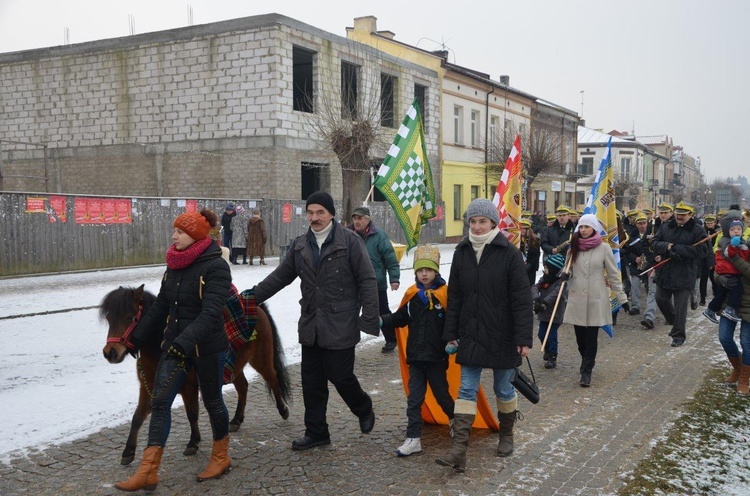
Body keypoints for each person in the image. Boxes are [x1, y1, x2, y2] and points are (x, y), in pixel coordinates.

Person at [114, 209, 232, 491]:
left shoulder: (216, 267)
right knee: (160, 402)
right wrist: (136, 340)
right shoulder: (174, 265)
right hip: (175, 347)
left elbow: (211, 312)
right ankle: (148, 471)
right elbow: (160, 309)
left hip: (207, 348)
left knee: (213, 401)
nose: (174, 235)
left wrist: (184, 342)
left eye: (179, 231)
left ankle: (221, 457)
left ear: (194, 235)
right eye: (175, 230)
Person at [253, 191, 379, 450]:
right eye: (310, 212)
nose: (314, 217)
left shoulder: (350, 242)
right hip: (311, 323)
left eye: (320, 212)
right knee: (312, 382)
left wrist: (369, 317)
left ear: (331, 214)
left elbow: (367, 279)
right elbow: (279, 278)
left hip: (341, 322)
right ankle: (317, 431)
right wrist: (247, 298)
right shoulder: (300, 245)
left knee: (341, 376)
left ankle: (363, 407)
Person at [435, 198, 532, 473]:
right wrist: (451, 333)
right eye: (473, 221)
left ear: (493, 223)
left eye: (482, 221)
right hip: (471, 332)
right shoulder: (462, 252)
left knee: (502, 388)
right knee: (466, 389)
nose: (477, 227)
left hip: (503, 333)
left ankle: (506, 434)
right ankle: (459, 450)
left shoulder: (509, 253)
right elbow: (455, 297)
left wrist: (523, 338)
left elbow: (522, 299)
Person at [380, 244, 454, 457]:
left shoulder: (444, 295)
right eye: (420, 270)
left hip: (437, 358)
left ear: (436, 271)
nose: (424, 274)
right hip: (416, 358)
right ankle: (413, 438)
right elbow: (400, 318)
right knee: (414, 399)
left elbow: (452, 323)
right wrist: (381, 321)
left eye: (428, 270)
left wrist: (452, 341)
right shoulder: (412, 295)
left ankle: (454, 419)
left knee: (442, 396)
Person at [560, 214, 629, 387]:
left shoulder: (604, 248)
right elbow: (567, 268)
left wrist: (622, 298)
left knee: (591, 337)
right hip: (577, 299)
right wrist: (564, 274)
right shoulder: (573, 247)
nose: (583, 230)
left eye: (587, 227)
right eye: (581, 227)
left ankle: (587, 369)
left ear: (594, 229)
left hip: (595, 299)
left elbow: (614, 274)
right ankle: (585, 358)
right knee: (580, 338)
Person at [650, 201, 709, 347]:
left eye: (683, 215)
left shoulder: (697, 231)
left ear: (690, 215)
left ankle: (678, 336)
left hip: (684, 273)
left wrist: (678, 249)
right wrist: (667, 247)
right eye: (678, 214)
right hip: (665, 271)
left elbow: (702, 251)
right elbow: (654, 243)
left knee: (680, 306)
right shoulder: (666, 227)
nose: (679, 217)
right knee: (660, 299)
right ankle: (675, 323)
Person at [350, 206, 401, 352]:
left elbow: (390, 258)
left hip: (375, 283)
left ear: (368, 219)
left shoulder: (379, 235)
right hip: (353, 283)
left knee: (382, 311)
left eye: (360, 218)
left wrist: (394, 278)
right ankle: (347, 342)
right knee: (349, 312)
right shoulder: (347, 234)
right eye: (355, 218)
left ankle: (391, 339)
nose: (357, 221)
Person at [715, 246, 750, 394]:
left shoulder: (734, 252)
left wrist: (734, 258)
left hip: (749, 305)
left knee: (747, 343)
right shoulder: (733, 244)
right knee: (724, 337)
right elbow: (718, 270)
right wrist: (721, 279)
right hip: (730, 302)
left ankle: (744, 380)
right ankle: (738, 369)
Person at [703, 219, 749, 323]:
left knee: (721, 293)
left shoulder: (741, 241)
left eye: (738, 229)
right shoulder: (730, 242)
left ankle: (710, 310)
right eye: (733, 229)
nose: (736, 231)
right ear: (728, 231)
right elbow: (729, 253)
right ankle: (730, 309)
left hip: (726, 270)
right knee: (737, 289)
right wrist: (733, 246)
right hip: (730, 271)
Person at [531, 253, 567, 369]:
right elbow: (535, 287)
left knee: (551, 335)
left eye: (546, 268)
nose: (544, 269)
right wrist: (536, 298)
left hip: (554, 313)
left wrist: (545, 302)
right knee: (541, 333)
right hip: (543, 312)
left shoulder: (561, 282)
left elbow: (556, 294)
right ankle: (546, 348)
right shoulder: (544, 279)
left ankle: (552, 355)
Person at [623, 212, 658, 329]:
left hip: (650, 264)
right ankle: (635, 306)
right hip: (636, 265)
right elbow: (627, 251)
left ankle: (650, 312)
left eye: (644, 223)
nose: (642, 226)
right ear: (636, 224)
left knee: (651, 289)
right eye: (640, 223)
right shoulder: (631, 235)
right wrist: (635, 258)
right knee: (635, 285)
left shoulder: (653, 233)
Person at [699, 214, 720, 306]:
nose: (709, 224)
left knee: (714, 278)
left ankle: (716, 296)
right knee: (703, 279)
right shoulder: (701, 231)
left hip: (714, 257)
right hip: (703, 258)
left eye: (711, 222)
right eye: (708, 223)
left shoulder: (718, 231)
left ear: (715, 222)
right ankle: (702, 299)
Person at [520, 219, 541, 286]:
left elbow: (536, 256)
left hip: (530, 268)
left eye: (524, 229)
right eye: (521, 228)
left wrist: (528, 267)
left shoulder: (534, 240)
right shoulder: (517, 239)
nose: (522, 230)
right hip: (519, 267)